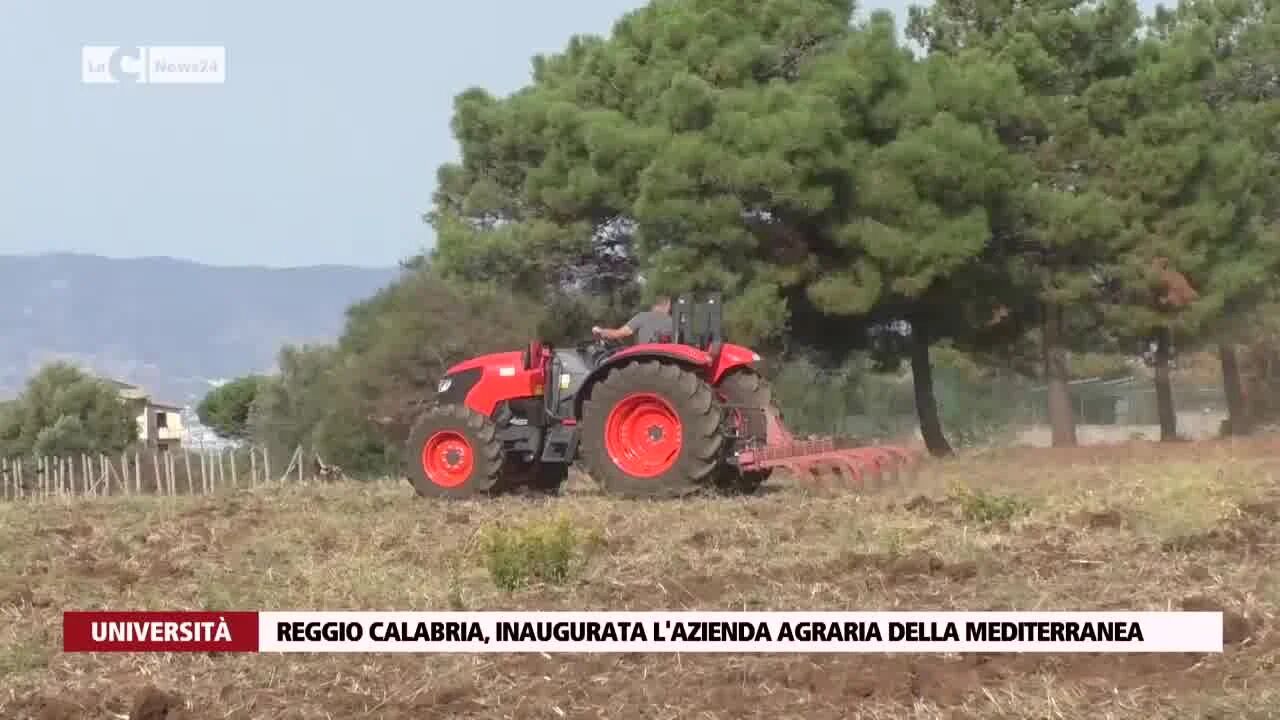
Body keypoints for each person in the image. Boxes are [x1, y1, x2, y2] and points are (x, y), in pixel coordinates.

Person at [592, 296, 674, 345]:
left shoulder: (642, 316)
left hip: (647, 360)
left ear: (653, 304)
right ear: (668, 305)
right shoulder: (674, 322)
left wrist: (600, 331)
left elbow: (618, 334)